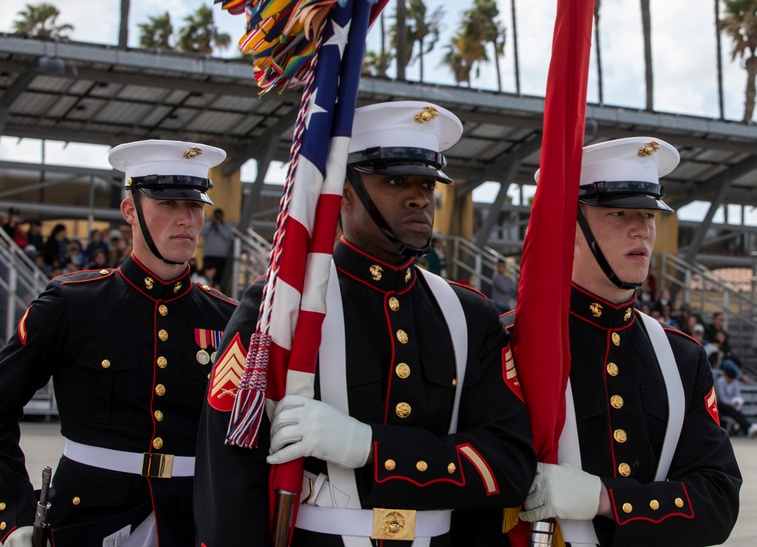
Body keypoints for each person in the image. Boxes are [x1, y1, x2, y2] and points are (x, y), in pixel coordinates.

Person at [194, 101, 535, 546]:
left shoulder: (470, 315)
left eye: (428, 183)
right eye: (395, 181)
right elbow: (230, 469)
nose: (419, 197)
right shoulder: (284, 304)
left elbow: (507, 464)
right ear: (346, 191)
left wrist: (367, 447)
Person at [0, 139, 237, 546]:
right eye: (168, 204)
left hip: (192, 525)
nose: (186, 219)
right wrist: (15, 517)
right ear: (130, 210)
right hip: (86, 521)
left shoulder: (226, 316)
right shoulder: (73, 304)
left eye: (195, 206)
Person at [516, 137, 741, 546]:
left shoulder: (680, 356)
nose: (642, 229)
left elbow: (718, 501)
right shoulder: (511, 340)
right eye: (618, 213)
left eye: (649, 214)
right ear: (571, 225)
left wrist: (605, 499)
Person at [715, 363, 757, 438]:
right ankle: (748, 427)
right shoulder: (720, 382)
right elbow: (722, 397)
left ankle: (747, 428)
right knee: (733, 411)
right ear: (726, 377)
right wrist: (731, 404)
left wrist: (736, 402)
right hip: (721, 404)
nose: (730, 381)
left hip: (732, 404)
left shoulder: (735, 382)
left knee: (736, 410)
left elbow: (737, 394)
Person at [200, 207, 233, 283]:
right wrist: (212, 223)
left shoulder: (226, 226)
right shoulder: (208, 225)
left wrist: (218, 225)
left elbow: (227, 235)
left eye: (219, 216)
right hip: (209, 255)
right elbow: (202, 233)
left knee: (218, 277)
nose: (217, 218)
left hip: (221, 256)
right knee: (207, 276)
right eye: (216, 216)